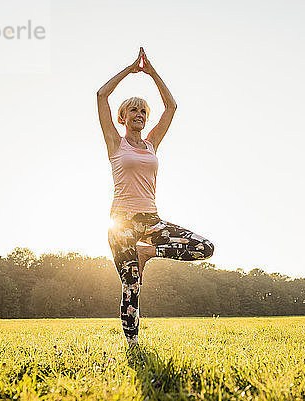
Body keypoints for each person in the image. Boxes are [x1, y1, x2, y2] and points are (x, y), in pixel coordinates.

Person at [96, 47, 215, 347]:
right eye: (133, 110)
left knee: (205, 248)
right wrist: (129, 69)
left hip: (152, 222)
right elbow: (101, 95)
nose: (139, 115)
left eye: (143, 112)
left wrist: (151, 72)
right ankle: (133, 345)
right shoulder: (115, 143)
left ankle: (148, 251)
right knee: (131, 284)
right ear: (123, 117)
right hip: (121, 224)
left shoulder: (151, 145)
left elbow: (172, 107)